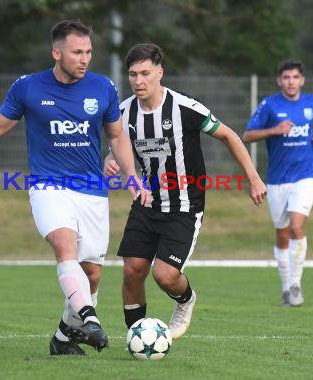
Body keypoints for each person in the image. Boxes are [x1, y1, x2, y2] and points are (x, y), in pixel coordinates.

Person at [0, 20, 148, 355]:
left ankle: (62, 339)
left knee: (92, 275)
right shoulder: (28, 87)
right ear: (57, 53)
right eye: (76, 52)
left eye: (88, 52)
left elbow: (116, 137)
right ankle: (90, 319)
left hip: (92, 191)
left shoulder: (103, 88)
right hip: (48, 185)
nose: (84, 59)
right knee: (64, 246)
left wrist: (132, 177)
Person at [104, 43, 267, 339]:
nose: (139, 81)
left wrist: (253, 177)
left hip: (184, 205)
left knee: (164, 276)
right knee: (132, 270)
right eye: (133, 74)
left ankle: (186, 300)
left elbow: (228, 135)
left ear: (159, 73)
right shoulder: (123, 113)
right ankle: (137, 336)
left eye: (145, 73)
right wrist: (110, 161)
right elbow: (117, 148)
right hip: (147, 201)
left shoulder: (184, 108)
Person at [242, 59, 313, 307]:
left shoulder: (312, 102)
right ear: (280, 81)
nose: (291, 81)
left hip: (306, 174)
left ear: (302, 80)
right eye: (286, 77)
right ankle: (285, 287)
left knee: (296, 228)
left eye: (295, 77)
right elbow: (247, 135)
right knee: (282, 235)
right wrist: (274, 130)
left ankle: (296, 285)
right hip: (278, 179)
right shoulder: (269, 105)